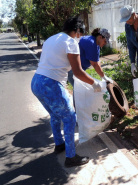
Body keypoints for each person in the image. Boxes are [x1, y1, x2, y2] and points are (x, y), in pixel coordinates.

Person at [31, 17, 102, 168]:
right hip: (51, 84)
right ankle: (71, 157)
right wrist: (94, 83)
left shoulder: (51, 38)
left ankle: (59, 144)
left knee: (55, 115)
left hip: (36, 82)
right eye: (81, 33)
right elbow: (77, 72)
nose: (81, 37)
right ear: (76, 30)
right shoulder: (71, 42)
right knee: (70, 117)